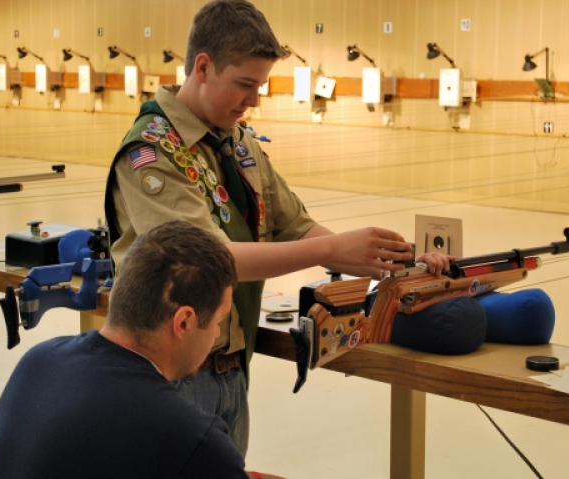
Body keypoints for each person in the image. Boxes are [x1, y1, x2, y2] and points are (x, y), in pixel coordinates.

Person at [104, 0, 452, 457]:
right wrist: (335, 246)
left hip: (229, 369)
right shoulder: (151, 153)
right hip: (166, 372)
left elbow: (299, 228)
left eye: (260, 86)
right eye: (244, 84)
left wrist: (397, 261)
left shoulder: (239, 145)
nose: (253, 101)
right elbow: (207, 261)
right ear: (203, 67)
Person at [0, 221, 282, 479]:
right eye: (218, 320)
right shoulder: (192, 440)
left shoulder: (39, 360)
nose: (217, 332)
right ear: (184, 322)